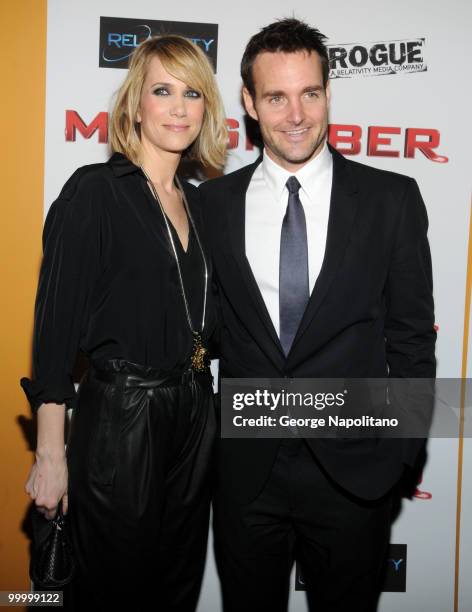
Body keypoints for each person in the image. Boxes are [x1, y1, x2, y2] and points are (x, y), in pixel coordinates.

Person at [199, 18, 436, 612]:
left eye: (310, 93)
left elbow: (411, 340)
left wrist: (401, 453)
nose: (296, 114)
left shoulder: (392, 199)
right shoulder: (211, 207)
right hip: (247, 475)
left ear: (329, 94)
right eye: (276, 97)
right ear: (250, 104)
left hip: (356, 474)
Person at [21, 34, 227, 611]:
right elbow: (54, 335)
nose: (180, 107)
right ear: (136, 104)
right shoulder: (95, 193)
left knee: (177, 585)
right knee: (116, 590)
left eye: (193, 93)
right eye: (163, 91)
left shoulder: (200, 203)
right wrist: (51, 455)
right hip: (123, 418)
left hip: (194, 411)